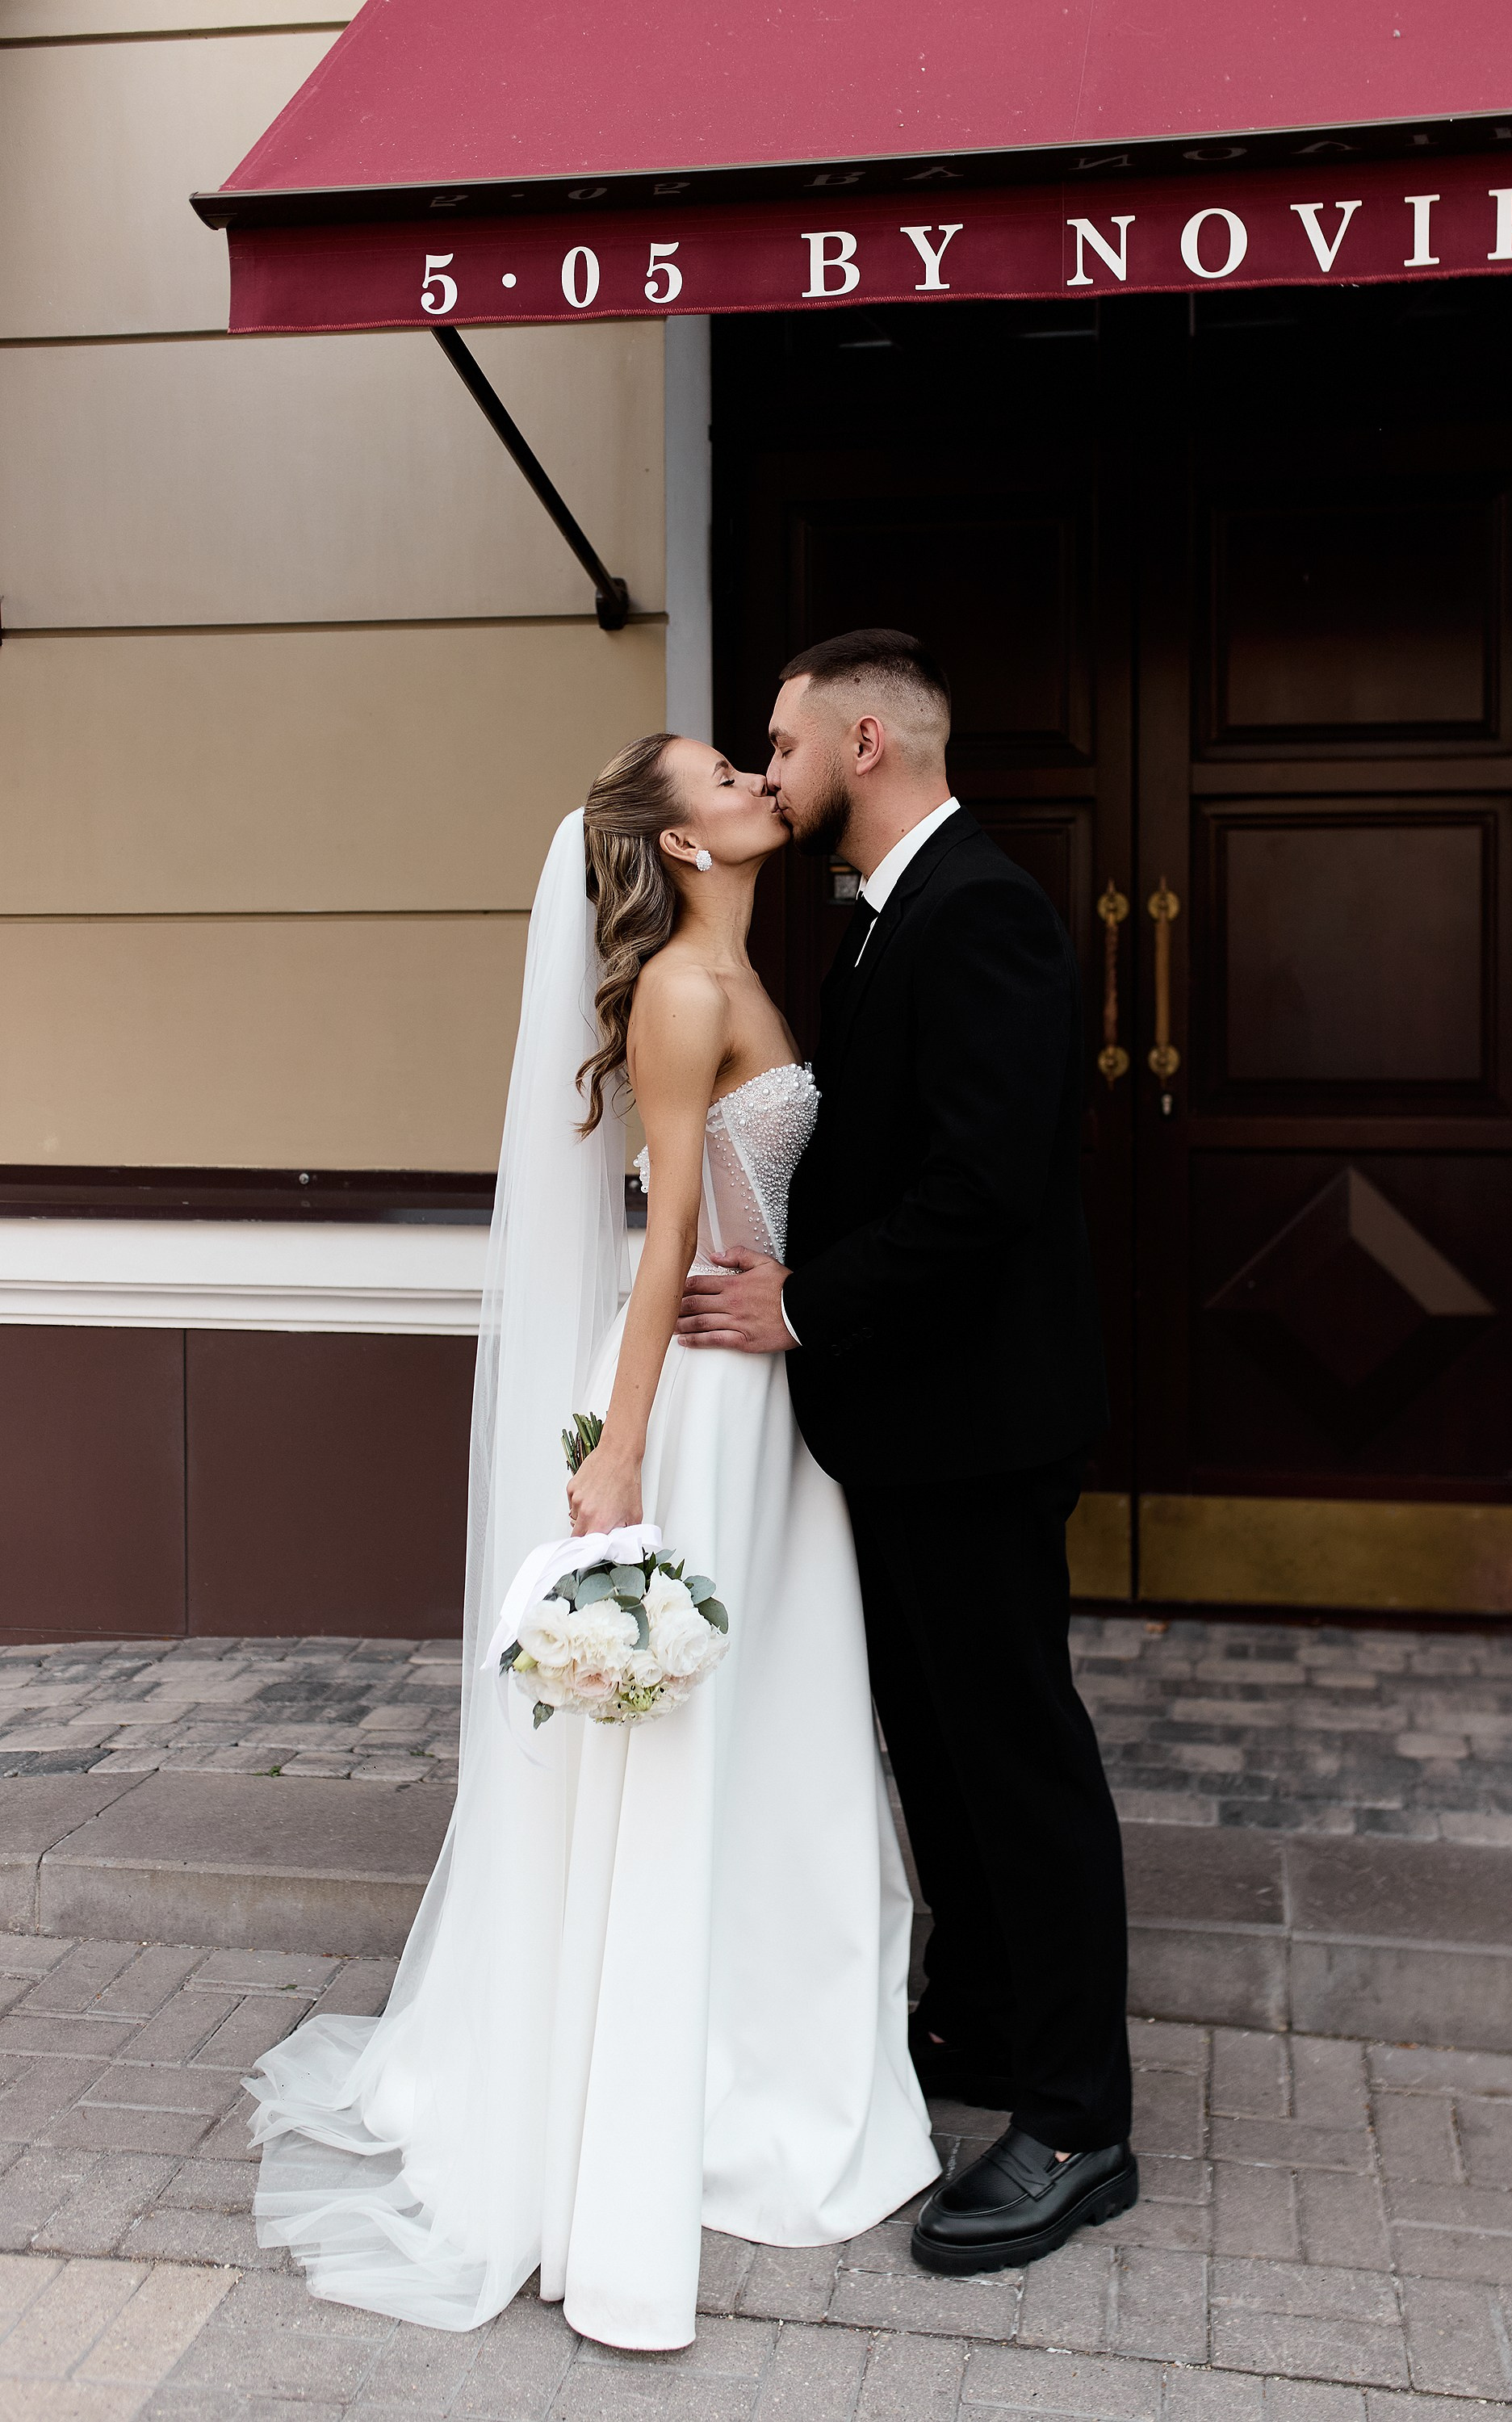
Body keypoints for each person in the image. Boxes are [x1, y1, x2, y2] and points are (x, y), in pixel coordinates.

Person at [245, 734, 937, 2347]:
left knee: (781, 1723)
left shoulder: (738, 964)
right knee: (712, 1730)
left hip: (761, 1401)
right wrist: (617, 1452)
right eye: (725, 774)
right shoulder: (690, 997)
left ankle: (768, 2037)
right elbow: (665, 1244)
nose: (759, 782)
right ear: (679, 843)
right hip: (698, 1412)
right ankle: (693, 2067)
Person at [677, 628, 1136, 2275]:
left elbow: (979, 1193)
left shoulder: (987, 911)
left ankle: (1079, 2122)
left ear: (865, 741)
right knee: (936, 1745)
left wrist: (800, 1307)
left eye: (783, 746)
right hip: (908, 1424)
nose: (772, 772)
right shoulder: (885, 920)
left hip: (983, 1422)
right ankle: (989, 2025)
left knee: (1013, 1750)